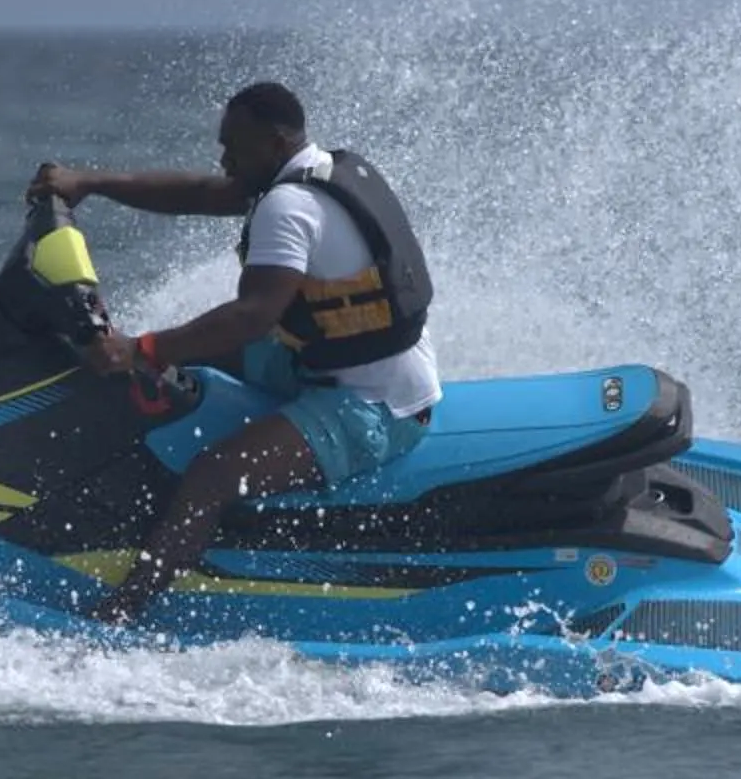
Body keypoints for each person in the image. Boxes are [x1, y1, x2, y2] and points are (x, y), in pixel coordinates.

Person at [32, 81, 439, 623]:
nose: (223, 158)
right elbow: (199, 194)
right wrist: (91, 182)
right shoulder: (317, 169)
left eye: (233, 146)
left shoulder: (289, 206)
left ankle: (124, 611)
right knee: (180, 363)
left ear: (272, 143)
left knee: (214, 472)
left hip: (374, 406)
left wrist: (142, 348)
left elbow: (254, 317)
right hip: (333, 361)